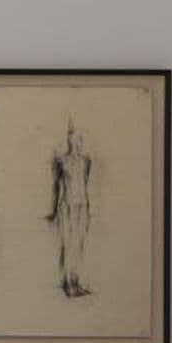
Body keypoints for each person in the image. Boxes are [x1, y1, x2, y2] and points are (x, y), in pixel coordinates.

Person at [46, 120, 93, 298]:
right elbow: (56, 186)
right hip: (66, 206)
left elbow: (85, 183)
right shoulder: (61, 161)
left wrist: (88, 208)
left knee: (79, 244)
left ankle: (76, 281)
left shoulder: (86, 160)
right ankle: (67, 284)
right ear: (69, 139)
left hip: (82, 206)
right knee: (68, 244)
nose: (77, 141)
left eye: (80, 138)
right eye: (74, 137)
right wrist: (52, 210)